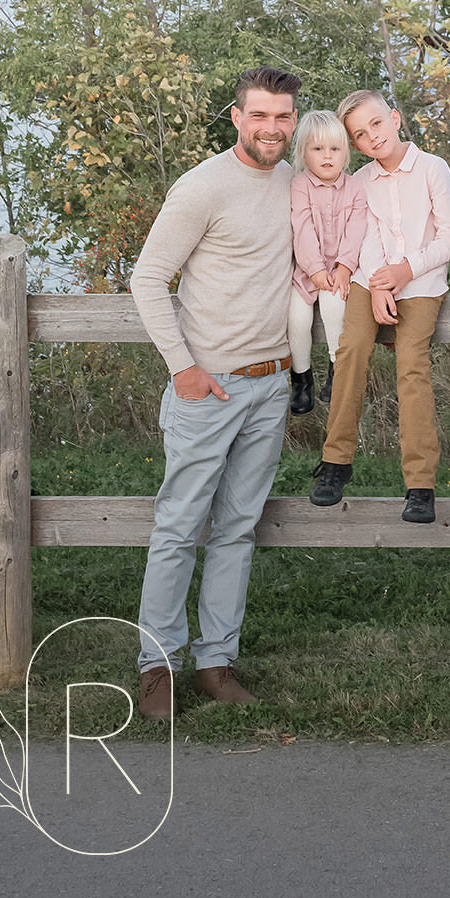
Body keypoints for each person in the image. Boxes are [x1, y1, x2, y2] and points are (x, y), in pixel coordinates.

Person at [129, 65, 301, 720]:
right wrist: (182, 366)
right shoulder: (202, 188)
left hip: (270, 383)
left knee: (236, 529)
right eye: (259, 115)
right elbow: (148, 280)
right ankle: (157, 668)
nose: (271, 128)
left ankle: (215, 663)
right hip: (209, 387)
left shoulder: (294, 182)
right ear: (237, 117)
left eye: (282, 116)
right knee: (178, 525)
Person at [309, 91, 450, 524]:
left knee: (411, 362)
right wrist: (377, 283)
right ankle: (336, 462)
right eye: (359, 134)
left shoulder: (432, 169)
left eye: (376, 124)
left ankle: (420, 485)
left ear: (394, 118)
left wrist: (405, 271)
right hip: (367, 278)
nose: (371, 136)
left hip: (422, 281)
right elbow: (363, 234)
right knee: (351, 348)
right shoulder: (359, 182)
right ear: (354, 145)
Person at [288, 109, 368, 415]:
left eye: (334, 149)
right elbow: (302, 228)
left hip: (341, 271)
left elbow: (357, 230)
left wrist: (345, 267)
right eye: (318, 149)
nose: (327, 157)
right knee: (296, 318)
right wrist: (316, 270)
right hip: (306, 270)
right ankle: (301, 379)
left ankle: (337, 375)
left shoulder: (355, 187)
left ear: (345, 152)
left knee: (335, 310)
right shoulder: (300, 186)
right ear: (304, 153)